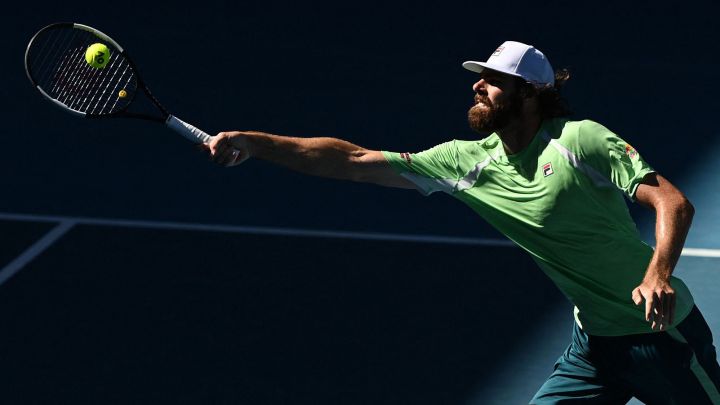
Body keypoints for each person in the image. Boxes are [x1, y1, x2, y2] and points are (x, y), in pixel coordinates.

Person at [207, 41, 720, 404]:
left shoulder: (580, 139)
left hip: (663, 339)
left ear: (528, 94)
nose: (478, 85)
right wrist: (255, 142)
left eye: (493, 81)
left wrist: (657, 274)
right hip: (594, 345)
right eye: (481, 77)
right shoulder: (467, 162)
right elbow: (352, 159)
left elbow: (673, 202)